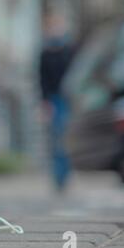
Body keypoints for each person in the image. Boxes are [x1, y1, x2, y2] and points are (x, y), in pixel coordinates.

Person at [39, 13, 75, 191]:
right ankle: (58, 177)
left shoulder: (68, 51)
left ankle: (66, 174)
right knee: (56, 137)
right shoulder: (45, 54)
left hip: (67, 98)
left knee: (65, 137)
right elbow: (42, 80)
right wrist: (45, 102)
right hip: (53, 99)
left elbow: (75, 75)